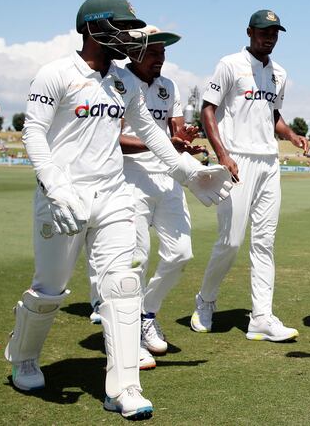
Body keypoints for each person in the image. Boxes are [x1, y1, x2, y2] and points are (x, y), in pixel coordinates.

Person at [4, 0, 232, 420]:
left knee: (123, 286)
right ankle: (25, 358)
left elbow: (151, 133)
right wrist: (55, 186)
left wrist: (188, 174)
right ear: (93, 28)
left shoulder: (123, 82)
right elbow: (33, 133)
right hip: (63, 200)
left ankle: (124, 385)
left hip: (112, 196)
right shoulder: (55, 73)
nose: (130, 37)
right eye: (121, 27)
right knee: (50, 287)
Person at [190, 9, 308, 342]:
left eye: (274, 33)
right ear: (249, 32)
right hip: (237, 160)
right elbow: (207, 109)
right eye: (263, 32)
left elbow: (272, 114)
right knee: (230, 240)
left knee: (264, 243)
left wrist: (291, 135)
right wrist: (223, 154)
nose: (269, 38)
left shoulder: (280, 73)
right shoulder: (229, 65)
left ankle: (261, 317)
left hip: (269, 162)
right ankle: (206, 301)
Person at [118, 25, 206, 366]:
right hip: (129, 179)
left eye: (163, 53)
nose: (161, 58)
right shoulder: (118, 83)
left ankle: (145, 315)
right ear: (134, 53)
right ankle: (128, 335)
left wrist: (183, 140)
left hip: (167, 178)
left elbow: (175, 131)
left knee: (181, 253)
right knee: (136, 259)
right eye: (154, 52)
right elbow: (112, 138)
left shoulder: (169, 86)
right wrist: (162, 144)